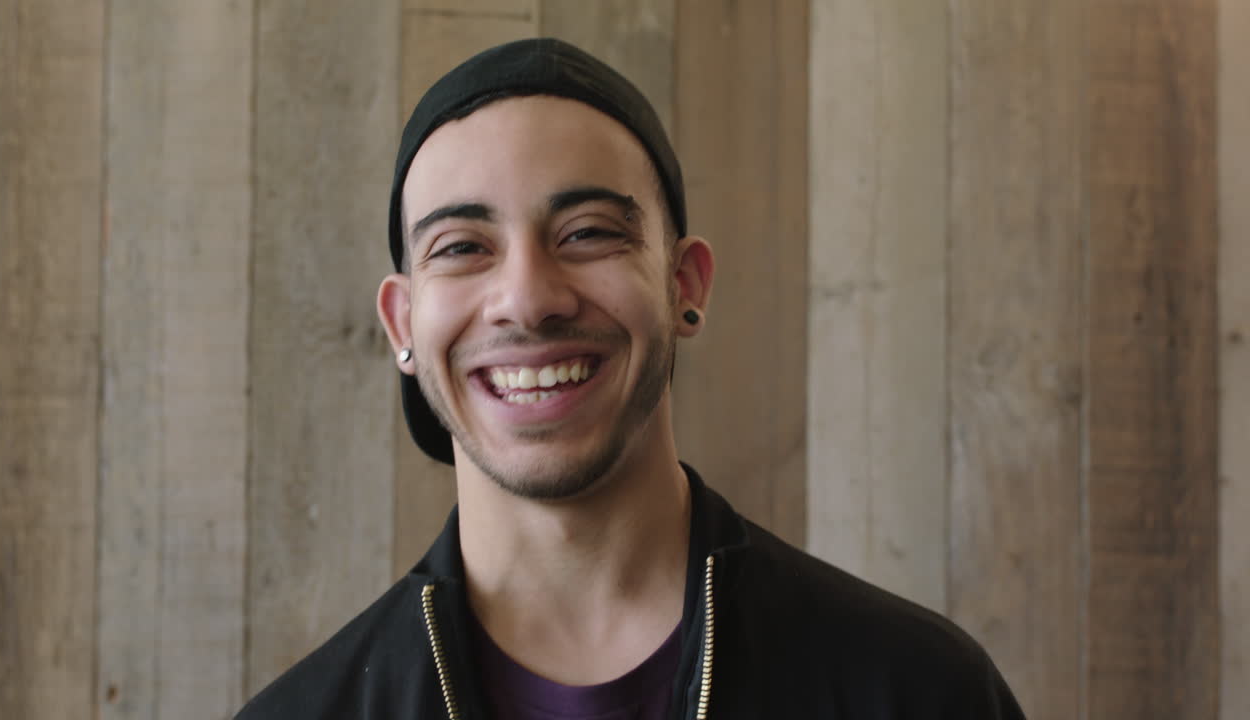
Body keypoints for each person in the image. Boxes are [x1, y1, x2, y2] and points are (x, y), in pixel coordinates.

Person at [236, 38, 1026, 719]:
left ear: (685, 286)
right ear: (403, 324)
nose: (528, 299)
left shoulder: (918, 693)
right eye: (462, 247)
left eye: (586, 234)